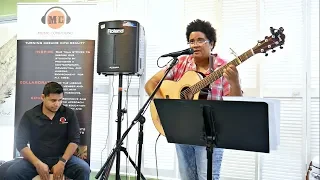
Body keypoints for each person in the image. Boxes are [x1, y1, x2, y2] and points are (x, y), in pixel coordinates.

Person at [144, 19, 243, 180]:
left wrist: (234, 82)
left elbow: (235, 104)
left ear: (211, 43)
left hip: (210, 134)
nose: (195, 45)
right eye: (191, 41)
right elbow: (151, 84)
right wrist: (165, 109)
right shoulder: (181, 62)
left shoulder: (222, 67)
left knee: (207, 177)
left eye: (200, 40)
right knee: (187, 177)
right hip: (182, 129)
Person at [5, 82, 90, 180]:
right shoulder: (30, 116)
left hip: (62, 158)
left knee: (84, 169)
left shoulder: (69, 114)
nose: (57, 104)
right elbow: (21, 143)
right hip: (36, 159)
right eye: (53, 100)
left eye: (60, 100)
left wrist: (62, 162)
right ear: (43, 97)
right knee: (12, 173)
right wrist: (37, 163)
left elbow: (74, 140)